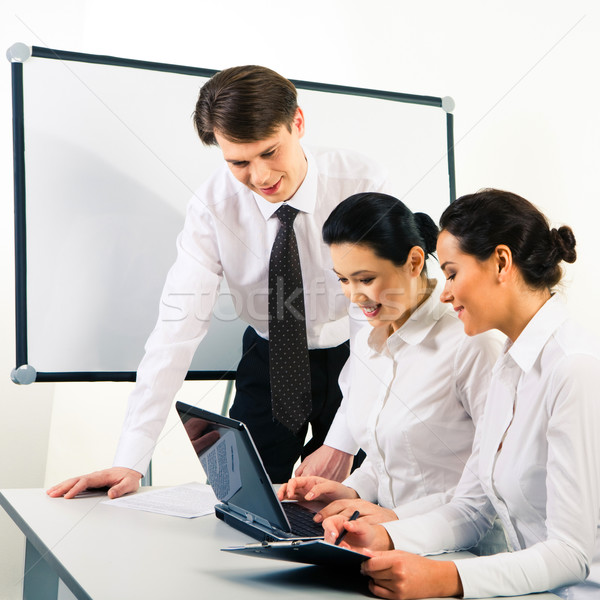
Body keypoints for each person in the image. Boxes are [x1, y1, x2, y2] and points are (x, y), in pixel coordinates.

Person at [47, 65, 388, 498]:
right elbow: (176, 330)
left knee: (355, 508)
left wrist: (342, 441)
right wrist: (130, 460)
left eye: (270, 152)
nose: (260, 177)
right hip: (270, 363)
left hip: (357, 356)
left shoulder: (361, 184)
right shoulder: (212, 208)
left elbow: (377, 322)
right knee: (244, 503)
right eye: (239, 162)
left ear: (297, 123)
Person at [324, 189, 600, 600]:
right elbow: (472, 508)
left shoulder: (574, 368)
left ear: (501, 263)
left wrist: (445, 578)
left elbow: (574, 553)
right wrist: (380, 536)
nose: (445, 292)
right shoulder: (511, 362)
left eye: (451, 273)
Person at [278, 192, 502, 528]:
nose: (354, 296)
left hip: (465, 551)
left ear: (413, 262)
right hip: (388, 538)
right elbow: (388, 460)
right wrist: (348, 493)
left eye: (366, 279)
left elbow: (493, 482)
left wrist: (396, 519)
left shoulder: (473, 344)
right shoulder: (369, 343)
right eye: (343, 279)